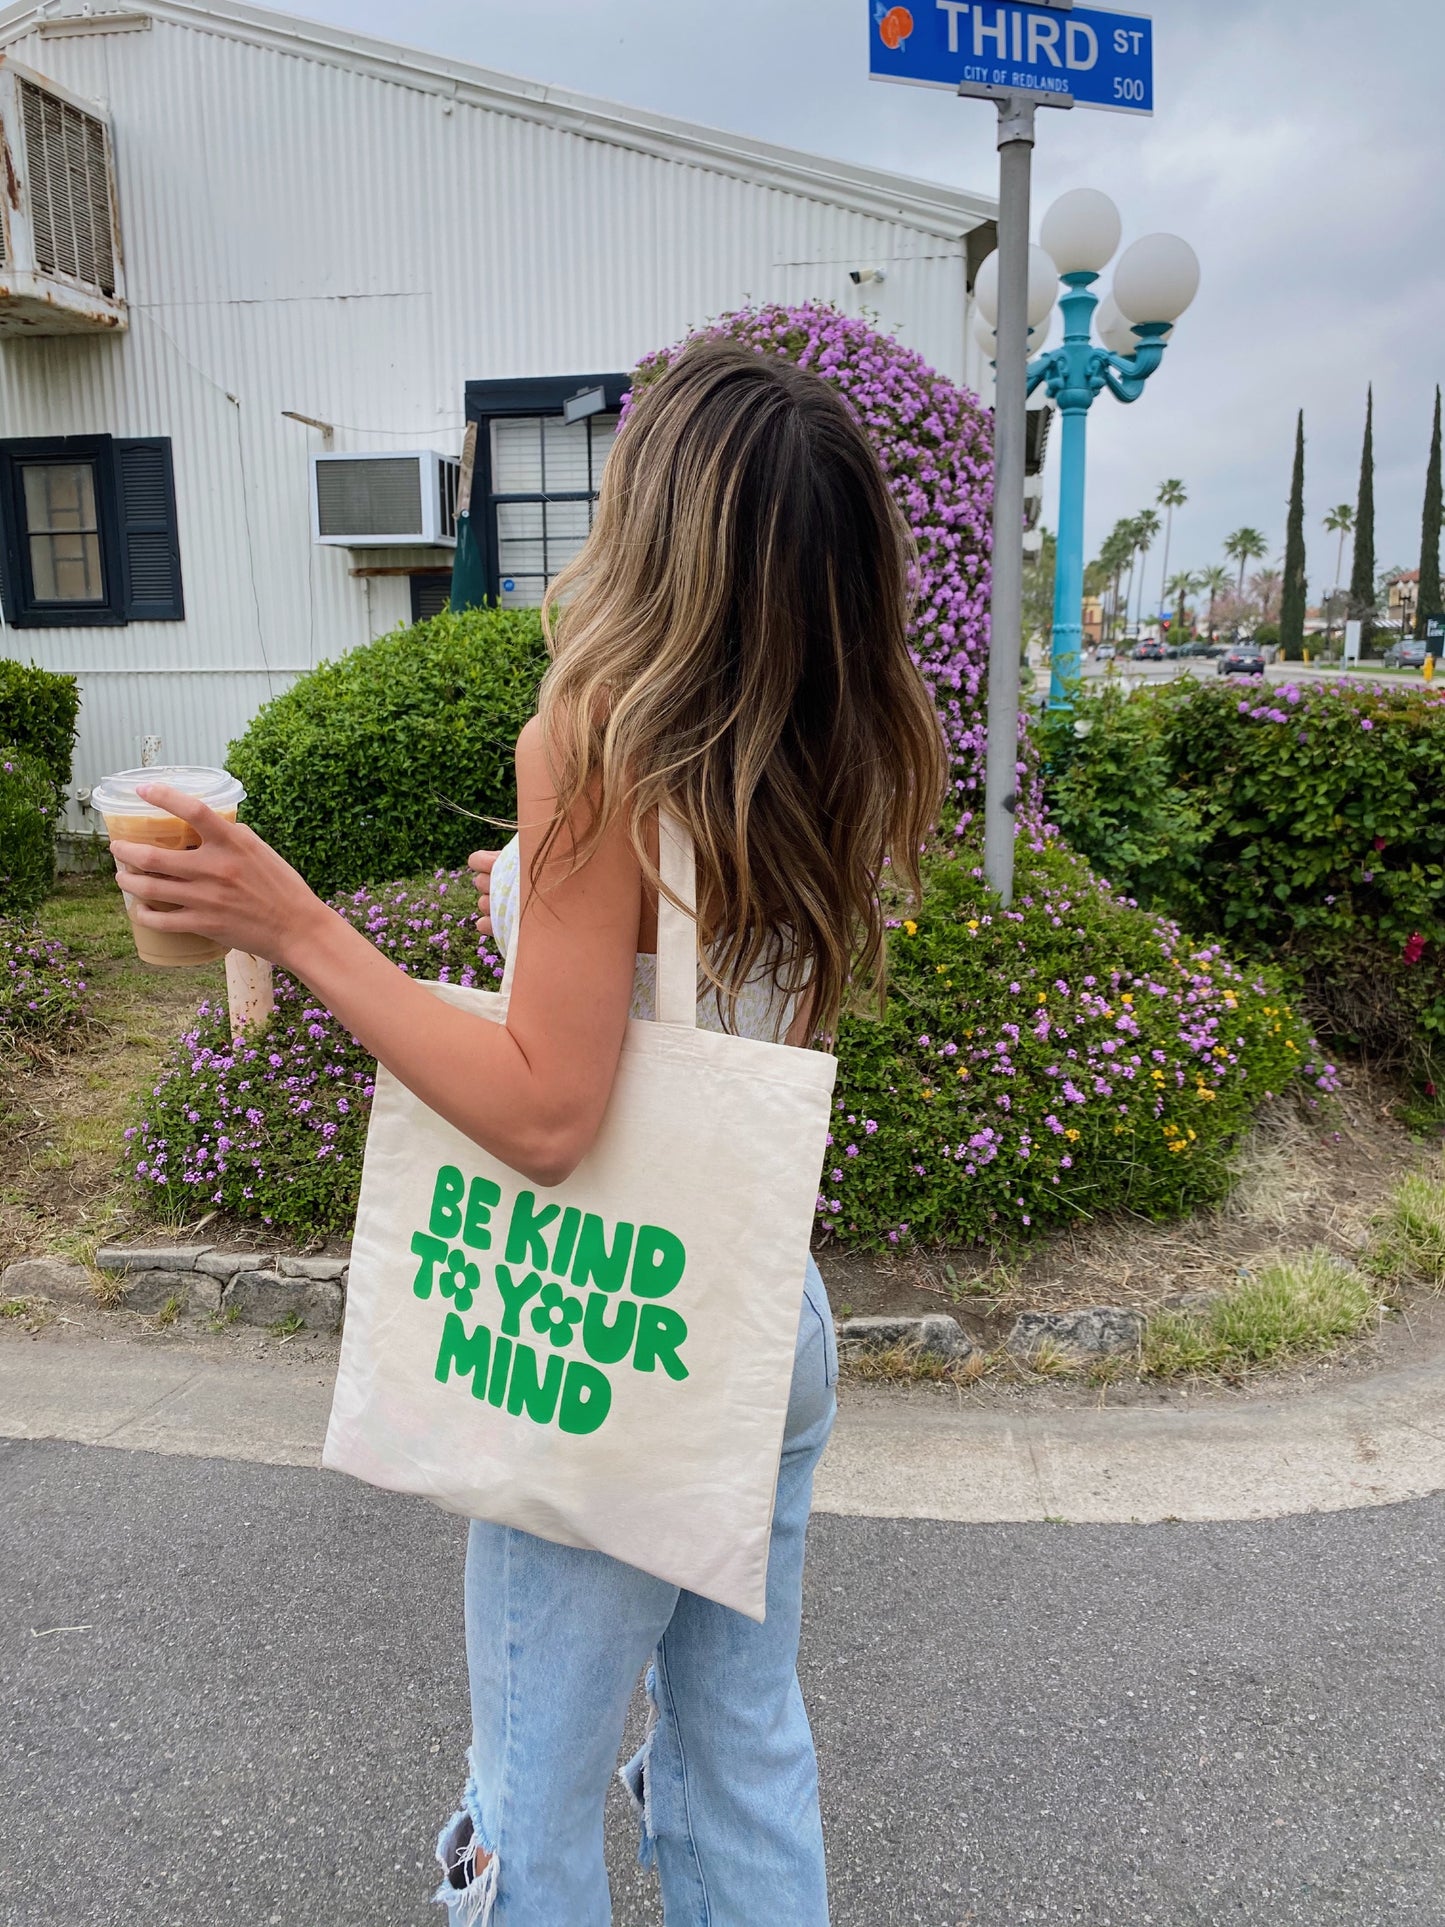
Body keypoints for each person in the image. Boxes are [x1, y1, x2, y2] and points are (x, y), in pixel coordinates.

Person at [110, 338, 948, 1925]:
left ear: (656, 529)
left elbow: (552, 1114)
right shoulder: (839, 734)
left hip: (610, 1334)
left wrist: (295, 923)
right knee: (739, 1745)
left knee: (534, 1798)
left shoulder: (600, 745)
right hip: (762, 1315)